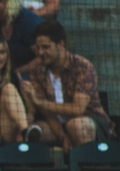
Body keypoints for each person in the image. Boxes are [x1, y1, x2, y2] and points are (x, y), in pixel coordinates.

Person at [21, 21, 111, 150]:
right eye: (38, 47)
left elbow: (78, 109)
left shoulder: (82, 66)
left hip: (89, 119)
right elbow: (47, 112)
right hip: (56, 124)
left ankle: (87, 168)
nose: (40, 52)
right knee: (34, 132)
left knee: (76, 126)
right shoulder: (37, 70)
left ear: (61, 44)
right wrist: (63, 136)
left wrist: (40, 102)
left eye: (46, 47)